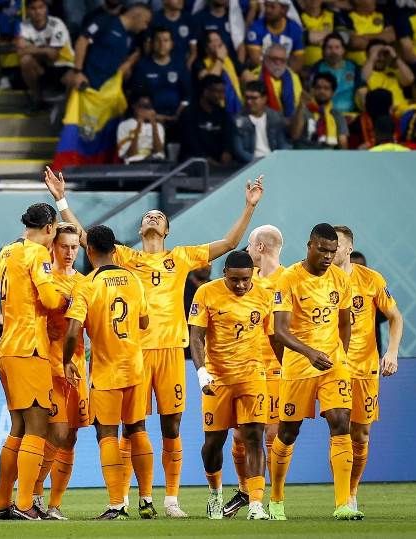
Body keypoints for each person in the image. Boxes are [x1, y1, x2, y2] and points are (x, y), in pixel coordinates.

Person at [44, 167, 265, 518]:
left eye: (159, 216)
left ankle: (171, 500)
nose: (152, 217)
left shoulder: (180, 257)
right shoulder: (126, 259)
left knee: (171, 427)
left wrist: (249, 206)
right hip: (133, 354)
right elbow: (88, 239)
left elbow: (228, 244)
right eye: (148, 215)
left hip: (170, 351)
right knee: (133, 428)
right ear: (140, 229)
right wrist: (61, 200)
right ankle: (126, 498)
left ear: (167, 230)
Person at [268, 223, 363, 521]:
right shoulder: (288, 279)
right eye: (322, 250)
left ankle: (343, 504)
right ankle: (276, 499)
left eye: (332, 252)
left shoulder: (340, 278)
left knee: (341, 420)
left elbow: (344, 323)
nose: (327, 256)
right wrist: (310, 353)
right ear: (309, 246)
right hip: (299, 367)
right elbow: (279, 331)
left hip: (332, 365)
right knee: (288, 432)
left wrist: (340, 356)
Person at [63, 224, 156, 520]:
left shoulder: (86, 285)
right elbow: (144, 322)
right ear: (115, 250)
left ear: (88, 250)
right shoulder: (134, 280)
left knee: (107, 434)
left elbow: (72, 331)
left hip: (107, 372)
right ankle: (147, 500)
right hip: (136, 368)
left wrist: (66, 360)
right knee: (137, 429)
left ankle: (117, 504)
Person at [0, 202, 64, 521]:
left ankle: (1, 504)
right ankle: (24, 504)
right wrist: (69, 298)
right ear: (49, 228)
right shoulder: (37, 253)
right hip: (29, 347)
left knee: (18, 427)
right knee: (37, 426)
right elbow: (49, 299)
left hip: (7, 347)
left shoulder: (5, 252)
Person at [188, 250, 273, 520]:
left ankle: (256, 504)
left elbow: (274, 336)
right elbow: (196, 336)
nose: (240, 285)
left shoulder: (264, 295)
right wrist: (202, 373)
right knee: (213, 443)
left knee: (254, 437)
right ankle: (215, 494)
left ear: (252, 275)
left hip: (252, 375)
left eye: (245, 279)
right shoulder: (206, 293)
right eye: (234, 279)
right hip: (218, 379)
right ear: (224, 273)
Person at [332, 225, 403, 513]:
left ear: (349, 248)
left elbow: (395, 317)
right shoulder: (317, 279)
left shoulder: (371, 279)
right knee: (339, 431)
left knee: (360, 435)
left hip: (364, 367)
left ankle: (351, 492)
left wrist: (392, 352)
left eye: (336, 244)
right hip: (331, 368)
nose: (330, 249)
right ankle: (341, 498)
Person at [223, 224, 285, 518]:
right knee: (239, 435)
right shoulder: (246, 281)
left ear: (260, 247)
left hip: (276, 369)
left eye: (249, 245)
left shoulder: (290, 279)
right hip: (245, 368)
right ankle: (245, 490)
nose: (246, 251)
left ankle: (274, 498)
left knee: (272, 434)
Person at [32, 222, 89, 520]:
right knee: (54, 431)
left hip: (77, 367)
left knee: (70, 437)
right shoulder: (42, 279)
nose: (69, 252)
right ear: (53, 246)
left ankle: (54, 504)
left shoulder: (84, 283)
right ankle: (34, 494)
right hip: (48, 366)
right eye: (64, 246)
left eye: (74, 247)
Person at [71, 3, 151, 91]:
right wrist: (77, 72)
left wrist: (128, 64)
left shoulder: (130, 38)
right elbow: (82, 41)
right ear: (137, 15)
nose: (145, 27)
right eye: (146, 22)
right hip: (85, 83)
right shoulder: (105, 21)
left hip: (107, 90)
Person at [15, 0, 75, 111]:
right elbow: (20, 52)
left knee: (74, 79)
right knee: (25, 60)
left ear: (46, 8)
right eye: (33, 8)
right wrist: (45, 50)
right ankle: (37, 100)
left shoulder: (57, 23)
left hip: (64, 66)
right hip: (44, 67)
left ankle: (67, 110)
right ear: (27, 10)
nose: (38, 12)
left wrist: (31, 48)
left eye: (41, 7)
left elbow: (53, 55)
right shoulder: (24, 26)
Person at [130, 27, 192, 129]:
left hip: (179, 118)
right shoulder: (142, 66)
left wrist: (179, 114)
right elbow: (137, 96)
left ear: (172, 44)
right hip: (150, 119)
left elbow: (187, 95)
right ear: (152, 43)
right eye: (158, 40)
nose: (162, 44)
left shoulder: (180, 65)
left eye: (166, 40)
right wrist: (153, 115)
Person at [177, 74, 234, 165]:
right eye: (218, 92)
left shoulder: (223, 114)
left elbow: (228, 138)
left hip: (218, 164)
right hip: (193, 162)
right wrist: (206, 159)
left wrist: (227, 152)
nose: (221, 96)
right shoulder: (189, 113)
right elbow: (190, 142)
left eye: (223, 92)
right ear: (205, 91)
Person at [232, 80, 288, 163]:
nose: (249, 102)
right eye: (247, 98)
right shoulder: (238, 120)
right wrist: (258, 162)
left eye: (254, 98)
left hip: (274, 161)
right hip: (251, 163)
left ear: (264, 99)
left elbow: (282, 143)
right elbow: (239, 151)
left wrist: (278, 160)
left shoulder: (275, 117)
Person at [290, 73, 349, 149]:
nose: (322, 91)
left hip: (328, 155)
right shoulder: (302, 110)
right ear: (313, 90)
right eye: (318, 88)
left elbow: (343, 142)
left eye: (326, 88)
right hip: (304, 153)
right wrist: (301, 106)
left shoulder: (337, 115)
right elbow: (294, 135)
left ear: (333, 93)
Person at [193, 30, 243, 115]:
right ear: (206, 47)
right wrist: (220, 59)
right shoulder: (199, 64)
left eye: (220, 40)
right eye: (215, 40)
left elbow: (246, 75)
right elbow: (211, 81)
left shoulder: (230, 59)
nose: (220, 43)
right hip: (214, 110)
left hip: (237, 108)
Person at [245, 0, 304, 73]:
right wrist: (276, 73)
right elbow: (256, 60)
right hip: (262, 73)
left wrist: (284, 74)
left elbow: (298, 61)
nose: (268, 10)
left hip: (287, 73)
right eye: (266, 6)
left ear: (284, 10)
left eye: (272, 7)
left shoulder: (294, 29)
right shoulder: (256, 28)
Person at [249, 43, 302, 119]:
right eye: (274, 59)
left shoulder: (294, 77)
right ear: (265, 58)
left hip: (289, 120)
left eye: (282, 60)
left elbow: (298, 103)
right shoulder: (255, 76)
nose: (278, 63)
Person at [311, 33, 360, 114]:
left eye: (337, 47)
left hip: (350, 114)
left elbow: (361, 89)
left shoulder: (353, 67)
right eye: (329, 47)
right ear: (324, 51)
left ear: (343, 50)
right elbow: (311, 92)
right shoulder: (317, 67)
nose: (333, 51)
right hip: (324, 114)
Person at [361, 40, 414, 114]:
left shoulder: (393, 71)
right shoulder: (364, 72)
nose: (381, 58)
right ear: (367, 55)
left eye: (384, 54)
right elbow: (362, 80)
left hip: (403, 111)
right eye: (377, 54)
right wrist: (372, 59)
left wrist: (395, 57)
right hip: (382, 114)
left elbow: (409, 80)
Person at [337, 0, 395, 67]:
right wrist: (381, 38)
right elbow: (354, 42)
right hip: (357, 68)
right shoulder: (347, 17)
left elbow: (391, 36)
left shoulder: (382, 14)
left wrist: (365, 37)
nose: (374, 1)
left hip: (382, 68)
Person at [116, 94, 166, 164]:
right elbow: (130, 154)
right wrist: (139, 125)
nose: (144, 110)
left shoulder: (158, 126)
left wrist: (153, 124)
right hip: (133, 163)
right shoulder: (124, 125)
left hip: (154, 163)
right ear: (134, 106)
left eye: (147, 107)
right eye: (140, 106)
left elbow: (158, 151)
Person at [152, 0, 194, 67]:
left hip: (182, 66)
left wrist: (187, 67)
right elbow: (148, 48)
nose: (180, 1)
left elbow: (193, 52)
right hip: (158, 65)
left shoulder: (189, 19)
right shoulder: (155, 19)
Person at [299, 0, 335, 69]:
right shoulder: (298, 18)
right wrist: (327, 37)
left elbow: (340, 39)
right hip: (305, 68)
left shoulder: (333, 16)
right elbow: (300, 38)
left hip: (330, 66)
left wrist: (311, 39)